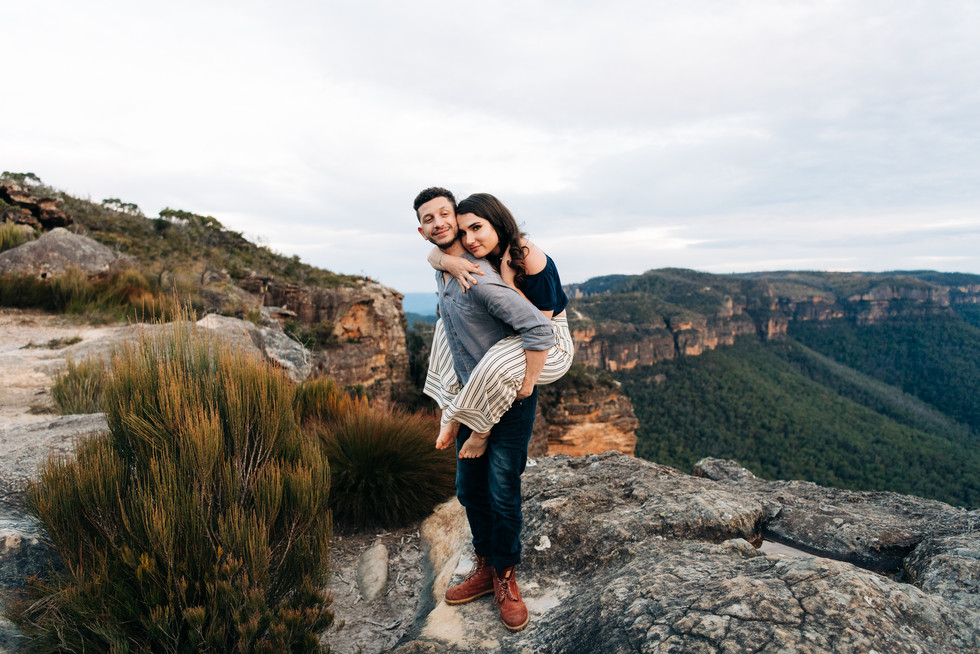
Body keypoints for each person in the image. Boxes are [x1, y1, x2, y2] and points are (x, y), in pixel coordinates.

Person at [414, 187, 553, 632]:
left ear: (456, 219)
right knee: (470, 490)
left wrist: (527, 385)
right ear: (423, 231)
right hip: (475, 397)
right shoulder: (446, 267)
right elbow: (438, 258)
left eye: (445, 215)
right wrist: (445, 260)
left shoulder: (481, 278)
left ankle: (506, 578)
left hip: (509, 399)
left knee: (501, 490)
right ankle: (486, 565)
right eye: (428, 218)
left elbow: (537, 328)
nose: (439, 223)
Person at [423, 193, 573, 459]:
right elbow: (435, 253)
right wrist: (450, 262)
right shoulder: (475, 252)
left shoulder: (525, 255)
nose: (469, 239)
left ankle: (481, 433)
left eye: (477, 228)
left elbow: (540, 325)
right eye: (464, 232)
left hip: (550, 345)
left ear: (496, 222)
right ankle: (450, 409)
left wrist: (528, 384)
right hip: (517, 337)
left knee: (494, 361)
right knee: (443, 329)